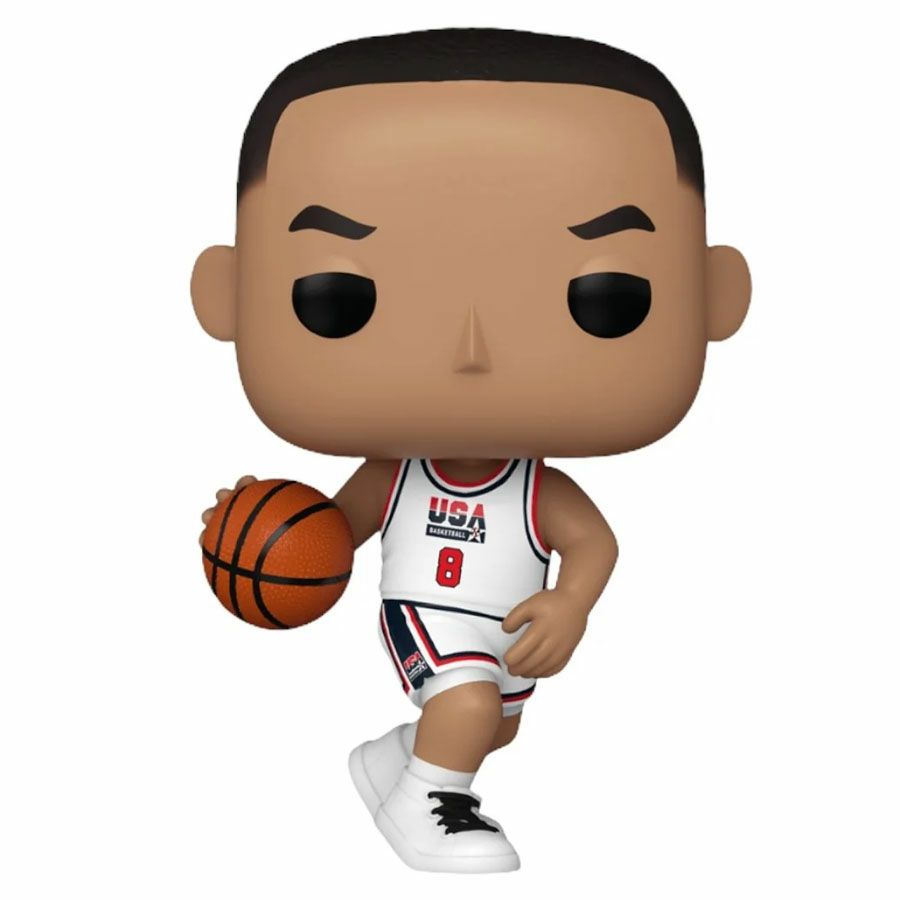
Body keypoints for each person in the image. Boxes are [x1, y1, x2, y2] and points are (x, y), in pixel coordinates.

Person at [192, 27, 751, 873]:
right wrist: (259, 529)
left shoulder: (535, 486)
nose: (471, 351)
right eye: (337, 297)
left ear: (714, 296)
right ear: (228, 294)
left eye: (606, 297)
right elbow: (334, 529)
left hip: (505, 624)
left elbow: (593, 543)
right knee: (470, 702)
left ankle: (394, 760)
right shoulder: (397, 472)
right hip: (423, 607)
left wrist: (570, 606)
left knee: (496, 723)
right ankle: (426, 804)